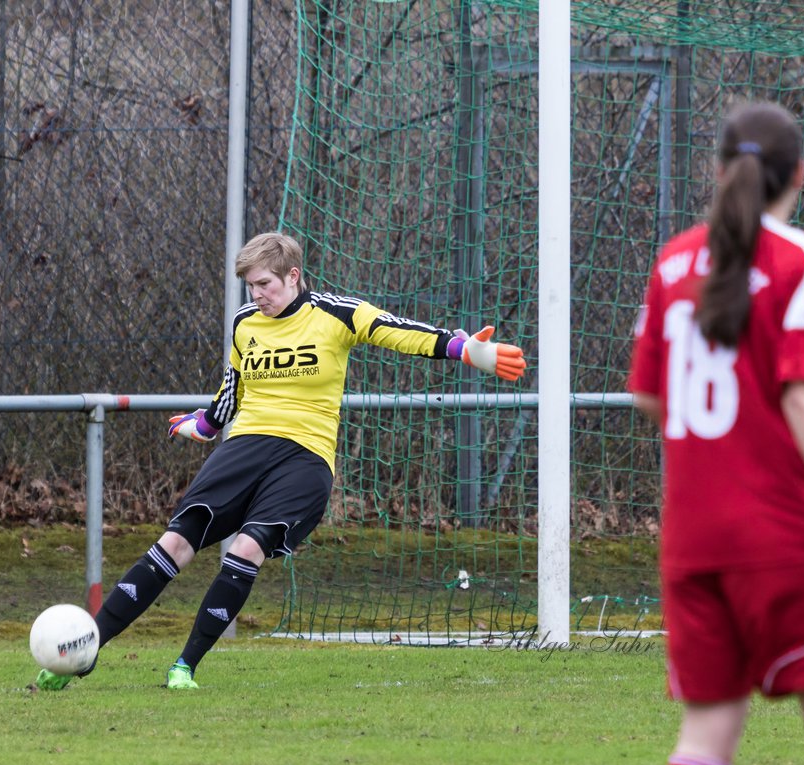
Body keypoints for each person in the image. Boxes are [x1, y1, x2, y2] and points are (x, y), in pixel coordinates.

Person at [38, 231, 525, 691]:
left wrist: (465, 350)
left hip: (305, 457)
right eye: (251, 287)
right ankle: (85, 651)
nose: (257, 296)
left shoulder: (338, 314)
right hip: (245, 447)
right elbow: (233, 390)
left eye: (265, 285)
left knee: (246, 549)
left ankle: (184, 665)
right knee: (175, 543)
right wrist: (204, 425)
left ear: (293, 276)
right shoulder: (244, 324)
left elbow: (400, 333)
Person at [628, 102, 804, 765]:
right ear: (799, 174)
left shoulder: (673, 260)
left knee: (707, 734)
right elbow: (801, 392)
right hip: (784, 535)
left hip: (694, 539)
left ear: (717, 170)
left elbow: (649, 393)